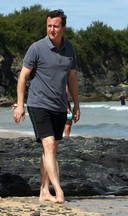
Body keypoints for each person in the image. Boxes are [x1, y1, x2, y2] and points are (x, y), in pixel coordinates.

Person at [13, 9, 80, 204]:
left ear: (63, 28)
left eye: (56, 26)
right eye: (49, 26)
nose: (52, 29)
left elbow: (72, 79)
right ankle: (58, 190)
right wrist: (20, 105)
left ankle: (43, 191)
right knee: (49, 144)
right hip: (38, 103)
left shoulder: (70, 50)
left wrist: (76, 105)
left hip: (60, 106)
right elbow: (23, 77)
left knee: (49, 150)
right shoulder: (36, 48)